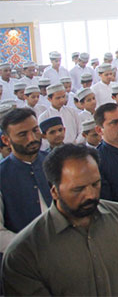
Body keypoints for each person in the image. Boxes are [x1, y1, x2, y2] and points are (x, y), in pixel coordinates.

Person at [1, 144, 118, 295]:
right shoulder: (25, 252)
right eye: (78, 189)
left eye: (95, 184)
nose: (91, 195)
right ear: (54, 191)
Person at [0, 108, 52, 254]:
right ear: (6, 140)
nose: (32, 138)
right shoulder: (2, 175)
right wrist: (32, 246)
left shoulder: (55, 162)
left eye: (35, 130)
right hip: (24, 259)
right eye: (23, 135)